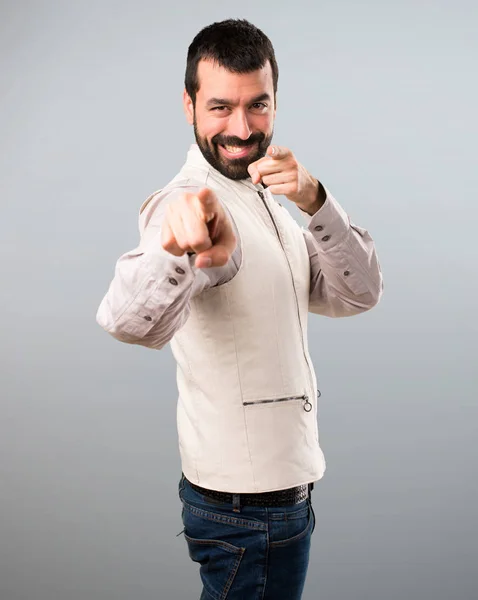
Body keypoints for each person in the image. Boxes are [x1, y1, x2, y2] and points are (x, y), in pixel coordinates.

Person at [96, 18, 383, 600]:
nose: (241, 127)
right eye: (220, 107)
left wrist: (315, 199)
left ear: (275, 103)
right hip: (242, 510)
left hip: (282, 494)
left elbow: (358, 292)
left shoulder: (271, 201)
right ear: (189, 105)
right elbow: (130, 321)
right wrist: (180, 246)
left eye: (258, 106)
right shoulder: (183, 201)